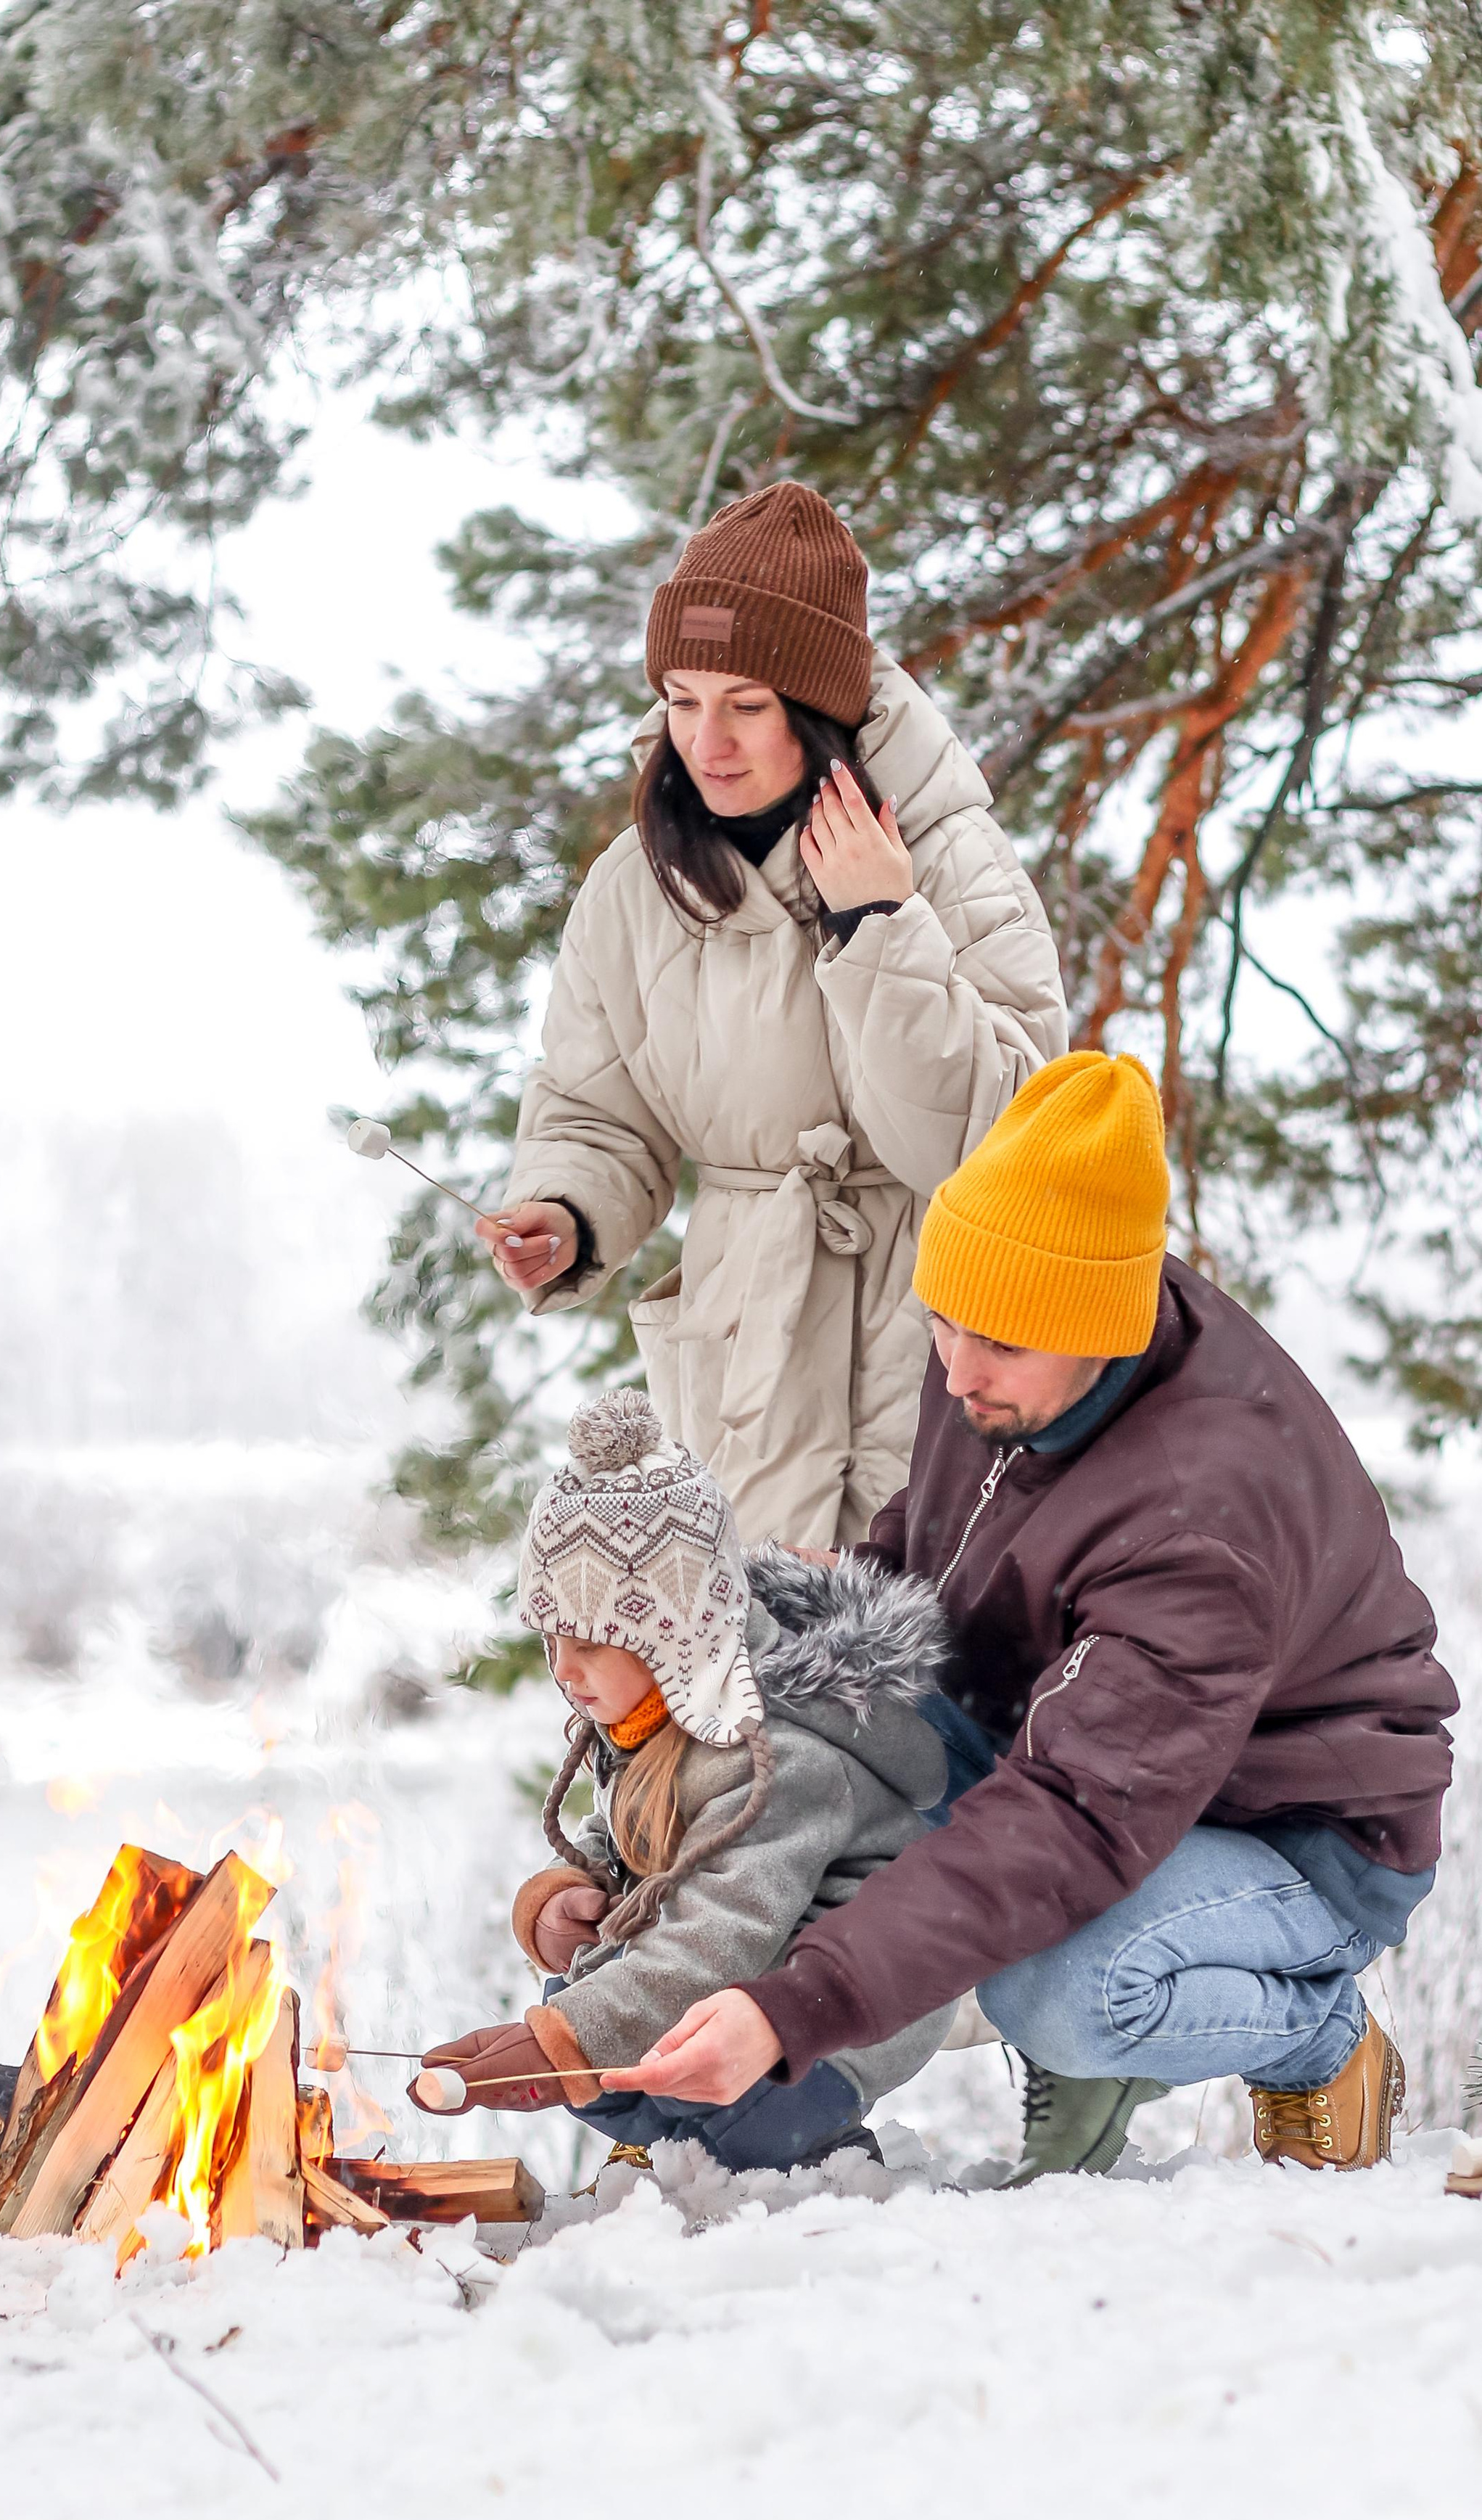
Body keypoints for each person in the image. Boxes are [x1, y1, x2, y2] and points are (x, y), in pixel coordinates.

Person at [598, 1052, 1458, 2179]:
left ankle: (1317, 2038)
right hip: (1078, 1728)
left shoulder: (1203, 1516)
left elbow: (1074, 1814)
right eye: (943, 1324)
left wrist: (804, 2004)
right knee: (791, 1704)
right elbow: (950, 1540)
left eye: (994, 1343)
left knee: (1059, 1987)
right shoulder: (1012, 1339)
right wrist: (823, 1606)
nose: (955, 1373)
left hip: (1295, 1832)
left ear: (1101, 1325)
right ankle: (699, 2094)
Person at [477, 479, 1067, 1551]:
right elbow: (597, 1108)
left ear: (819, 710)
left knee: (911, 1691)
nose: (708, 741)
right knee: (743, 1689)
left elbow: (1007, 1143)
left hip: (927, 1347)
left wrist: (881, 923)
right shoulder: (634, 886)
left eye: (746, 705)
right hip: (740, 1357)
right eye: (681, 700)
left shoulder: (949, 860)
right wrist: (564, 1213)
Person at [407, 1385, 958, 2169]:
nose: (564, 1669)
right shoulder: (652, 1716)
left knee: (693, 2075)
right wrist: (573, 1891)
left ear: (676, 1634)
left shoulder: (782, 1761)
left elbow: (719, 1938)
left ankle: (820, 2163)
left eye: (593, 1642)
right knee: (592, 2032)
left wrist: (559, 2047)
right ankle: (682, 2163)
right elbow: (634, 1830)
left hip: (833, 2000)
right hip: (742, 1965)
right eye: (552, 1639)